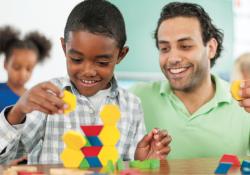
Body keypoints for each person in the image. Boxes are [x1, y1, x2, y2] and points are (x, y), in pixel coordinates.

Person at [0, 0, 171, 164]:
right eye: (76, 59)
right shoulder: (50, 97)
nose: (88, 71)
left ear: (120, 55)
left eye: (102, 62)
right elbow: (5, 158)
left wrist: (141, 162)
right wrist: (18, 111)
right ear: (64, 48)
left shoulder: (132, 106)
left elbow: (129, 166)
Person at [130, 2, 250, 160]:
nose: (173, 58)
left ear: (211, 48)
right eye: (164, 48)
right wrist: (140, 166)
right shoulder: (136, 98)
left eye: (185, 46)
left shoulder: (243, 104)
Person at [0, 26, 52, 112]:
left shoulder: (33, 98)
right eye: (16, 67)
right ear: (5, 63)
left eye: (29, 69)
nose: (23, 74)